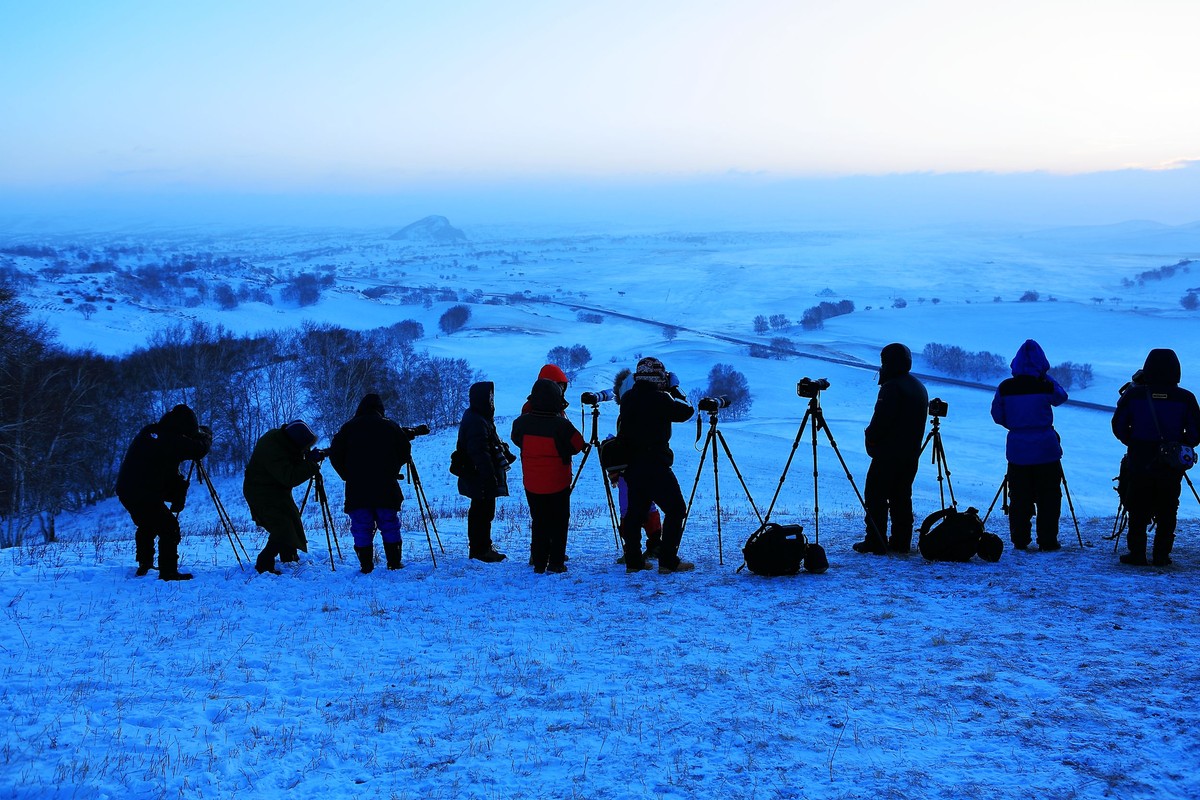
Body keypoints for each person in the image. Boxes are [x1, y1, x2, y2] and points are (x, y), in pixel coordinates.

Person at [1111, 348, 1200, 566]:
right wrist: (1180, 445)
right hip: (1171, 464)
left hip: (1140, 459)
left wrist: (1133, 441)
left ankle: (1137, 553)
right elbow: (1196, 433)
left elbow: (1118, 425)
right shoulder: (1186, 398)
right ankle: (1161, 555)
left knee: (1137, 506)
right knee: (1169, 507)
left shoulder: (1134, 394)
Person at [328, 393, 428, 574]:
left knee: (361, 525)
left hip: (357, 487)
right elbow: (405, 451)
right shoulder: (390, 426)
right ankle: (394, 563)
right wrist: (392, 468)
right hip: (386, 485)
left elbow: (335, 455)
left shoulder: (348, 428)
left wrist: (347, 474)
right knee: (389, 522)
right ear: (380, 409)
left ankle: (366, 566)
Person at [614, 356, 695, 573]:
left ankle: (634, 562)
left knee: (635, 514)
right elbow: (687, 410)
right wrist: (675, 389)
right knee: (676, 509)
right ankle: (667, 561)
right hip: (656, 466)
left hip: (633, 466)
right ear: (657, 377)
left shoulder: (629, 398)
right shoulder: (661, 399)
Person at [115, 404, 213, 581]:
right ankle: (168, 572)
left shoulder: (152, 432)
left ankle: (144, 563)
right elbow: (198, 449)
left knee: (148, 523)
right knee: (168, 527)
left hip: (129, 489)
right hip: (143, 491)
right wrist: (206, 437)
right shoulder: (169, 439)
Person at [990, 339, 1069, 551]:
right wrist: (1045, 376)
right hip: (1046, 450)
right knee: (1049, 497)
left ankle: (1020, 539)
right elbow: (1062, 397)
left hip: (1018, 450)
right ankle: (1048, 540)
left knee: (1019, 497)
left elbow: (997, 416)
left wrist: (1016, 426)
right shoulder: (1045, 385)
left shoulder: (1006, 387)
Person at [854, 343, 928, 555]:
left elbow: (881, 422)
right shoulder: (918, 386)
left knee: (875, 496)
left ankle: (876, 541)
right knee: (901, 497)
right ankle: (901, 541)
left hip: (888, 454)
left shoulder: (892, 387)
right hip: (910, 454)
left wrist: (870, 438)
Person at [511, 379, 586, 573]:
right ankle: (556, 562)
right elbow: (578, 445)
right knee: (559, 521)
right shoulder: (562, 426)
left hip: (532, 483)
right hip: (558, 483)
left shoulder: (521, 423)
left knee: (539, 521)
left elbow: (516, 439)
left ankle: (539, 562)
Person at [244, 419, 324, 575]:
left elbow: (291, 459)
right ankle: (264, 563)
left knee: (290, 517)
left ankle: (288, 555)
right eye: (305, 446)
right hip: (260, 491)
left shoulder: (281, 439)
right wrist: (310, 464)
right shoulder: (273, 449)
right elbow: (289, 476)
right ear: (297, 442)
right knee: (283, 525)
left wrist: (307, 457)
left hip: (273, 488)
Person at [456, 381, 514, 562]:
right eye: (489, 397)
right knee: (482, 512)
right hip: (479, 475)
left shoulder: (477, 416)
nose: (491, 401)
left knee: (481, 511)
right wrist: (489, 476)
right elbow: (479, 452)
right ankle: (481, 549)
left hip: (477, 474)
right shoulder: (477, 420)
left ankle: (481, 546)